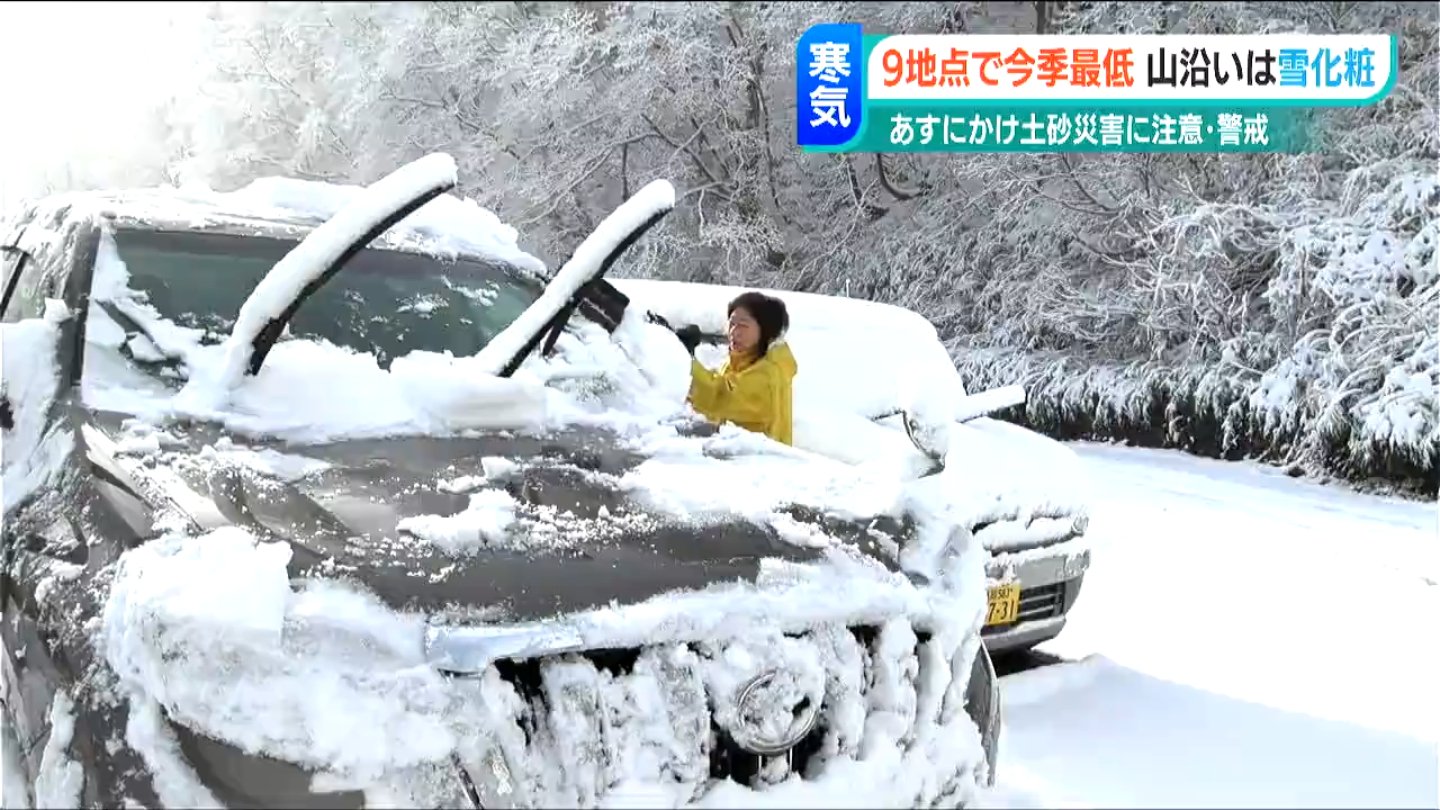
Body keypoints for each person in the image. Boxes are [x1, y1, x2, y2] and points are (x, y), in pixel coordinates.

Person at [671, 291, 797, 445]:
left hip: (764, 465)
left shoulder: (769, 374)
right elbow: (714, 387)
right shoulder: (740, 363)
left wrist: (682, 360)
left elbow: (720, 396)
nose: (734, 332)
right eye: (732, 323)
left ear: (765, 330)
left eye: (743, 325)